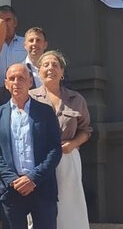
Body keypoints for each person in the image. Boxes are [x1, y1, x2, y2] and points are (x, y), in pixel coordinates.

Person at [0, 64, 62, 229]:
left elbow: (55, 149)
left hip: (42, 187)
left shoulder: (45, 111)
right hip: (11, 190)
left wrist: (33, 178)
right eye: (12, 78)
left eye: (21, 78)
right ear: (6, 84)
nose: (16, 82)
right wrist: (13, 180)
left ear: (30, 82)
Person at [30, 51, 91, 229]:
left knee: (70, 206)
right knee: (40, 207)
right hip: (39, 160)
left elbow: (86, 130)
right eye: (46, 65)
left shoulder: (76, 99)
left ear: (62, 72)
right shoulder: (30, 98)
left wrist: (73, 144)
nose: (51, 68)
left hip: (67, 158)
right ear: (38, 71)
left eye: (55, 65)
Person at [0, 6, 26, 90]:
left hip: (22, 92)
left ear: (15, 22)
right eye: (1, 21)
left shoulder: (26, 43)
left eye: (8, 20)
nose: (5, 24)